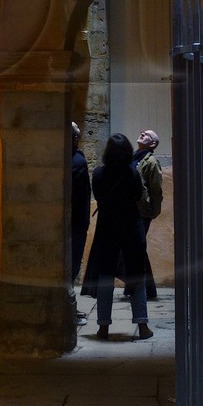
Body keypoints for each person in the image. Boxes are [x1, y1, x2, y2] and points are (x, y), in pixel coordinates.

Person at [84, 134, 152, 340]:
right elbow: (139, 196)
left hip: (107, 229)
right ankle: (142, 326)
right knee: (136, 276)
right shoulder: (132, 174)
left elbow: (97, 194)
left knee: (105, 278)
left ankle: (103, 326)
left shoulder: (98, 174)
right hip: (131, 228)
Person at [131, 129, 163, 302]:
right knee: (137, 249)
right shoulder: (135, 157)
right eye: (142, 132)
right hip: (132, 210)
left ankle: (144, 288)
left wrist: (152, 211)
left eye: (147, 135)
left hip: (142, 211)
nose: (142, 133)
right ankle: (144, 288)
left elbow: (156, 189)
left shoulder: (151, 162)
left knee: (137, 248)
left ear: (153, 144)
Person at [68, 123, 91, 288]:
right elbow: (80, 194)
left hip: (72, 219)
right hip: (76, 220)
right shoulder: (77, 161)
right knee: (73, 261)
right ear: (75, 138)